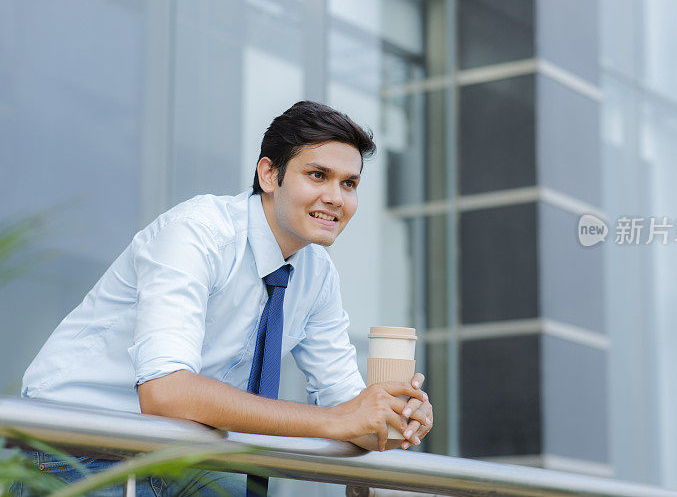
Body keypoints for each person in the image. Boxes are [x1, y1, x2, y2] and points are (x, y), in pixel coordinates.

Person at [15, 101, 434, 495]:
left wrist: (392, 417)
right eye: (318, 175)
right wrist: (337, 419)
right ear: (269, 175)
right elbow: (166, 393)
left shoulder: (317, 275)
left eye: (350, 184)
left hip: (180, 453)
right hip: (77, 444)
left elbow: (347, 407)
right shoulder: (198, 233)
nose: (336, 198)